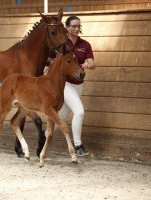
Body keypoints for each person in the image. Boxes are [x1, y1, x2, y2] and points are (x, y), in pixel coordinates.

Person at [46, 15, 95, 156]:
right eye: (74, 26)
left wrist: (87, 64)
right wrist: (56, 65)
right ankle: (78, 146)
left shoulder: (85, 44)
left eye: (79, 26)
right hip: (64, 84)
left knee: (62, 114)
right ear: (67, 27)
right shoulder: (61, 43)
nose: (77, 28)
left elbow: (92, 63)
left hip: (78, 84)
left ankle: (44, 136)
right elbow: (48, 59)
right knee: (79, 111)